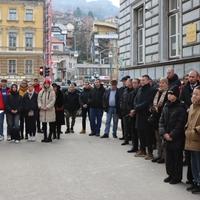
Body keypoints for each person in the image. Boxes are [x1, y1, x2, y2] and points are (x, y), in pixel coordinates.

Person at [159, 86, 187, 184]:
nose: (169, 96)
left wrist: (171, 135)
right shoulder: (166, 105)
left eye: (171, 94)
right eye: (168, 94)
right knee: (169, 158)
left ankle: (177, 177)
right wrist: (164, 133)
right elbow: (161, 121)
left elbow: (180, 124)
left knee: (177, 158)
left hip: (176, 138)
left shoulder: (181, 107)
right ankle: (170, 174)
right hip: (166, 136)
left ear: (176, 95)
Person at [180, 70, 199, 185]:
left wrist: (195, 130)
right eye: (189, 77)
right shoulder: (185, 88)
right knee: (191, 159)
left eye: (193, 77)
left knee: (197, 160)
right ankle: (192, 180)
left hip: (196, 134)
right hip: (189, 131)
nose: (190, 78)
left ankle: (197, 182)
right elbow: (182, 101)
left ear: (197, 77)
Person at [134, 75, 155, 159]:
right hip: (139, 115)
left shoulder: (152, 90)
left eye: (144, 80)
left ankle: (150, 153)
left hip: (146, 115)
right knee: (140, 134)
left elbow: (148, 102)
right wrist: (135, 106)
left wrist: (137, 107)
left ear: (148, 81)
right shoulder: (139, 89)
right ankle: (142, 150)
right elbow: (135, 99)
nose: (142, 81)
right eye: (141, 80)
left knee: (148, 135)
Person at [185, 86, 200, 194]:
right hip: (190, 138)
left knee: (198, 164)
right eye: (193, 93)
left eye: (197, 94)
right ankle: (195, 182)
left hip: (197, 138)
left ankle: (198, 184)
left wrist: (195, 130)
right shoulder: (191, 106)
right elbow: (189, 121)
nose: (194, 96)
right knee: (193, 163)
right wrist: (186, 128)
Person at [150, 78, 168, 163]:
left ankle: (164, 157)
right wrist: (152, 108)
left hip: (163, 120)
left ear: (167, 84)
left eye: (163, 83)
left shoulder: (168, 93)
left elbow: (166, 107)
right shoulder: (157, 93)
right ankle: (159, 155)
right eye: (160, 83)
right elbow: (152, 104)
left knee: (163, 140)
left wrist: (158, 109)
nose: (161, 84)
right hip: (156, 119)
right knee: (158, 139)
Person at [120, 78, 135, 145]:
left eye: (127, 82)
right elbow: (122, 99)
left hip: (131, 111)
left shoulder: (134, 90)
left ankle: (133, 141)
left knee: (132, 127)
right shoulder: (125, 90)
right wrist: (121, 106)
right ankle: (126, 140)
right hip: (124, 111)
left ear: (131, 83)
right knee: (125, 127)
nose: (126, 83)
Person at [127, 78, 140, 153]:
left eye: (135, 83)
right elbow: (129, 103)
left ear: (138, 84)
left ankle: (140, 148)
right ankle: (134, 147)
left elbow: (138, 103)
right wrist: (130, 111)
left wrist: (134, 110)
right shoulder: (132, 91)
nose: (134, 84)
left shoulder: (139, 91)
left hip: (137, 114)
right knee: (133, 132)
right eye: (133, 83)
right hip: (131, 113)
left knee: (138, 132)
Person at [118, 75, 130, 140]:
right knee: (123, 123)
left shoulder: (131, 89)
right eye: (123, 81)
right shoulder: (121, 89)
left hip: (129, 110)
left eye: (125, 81)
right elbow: (119, 99)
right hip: (122, 109)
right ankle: (124, 136)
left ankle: (129, 136)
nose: (124, 82)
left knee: (129, 124)